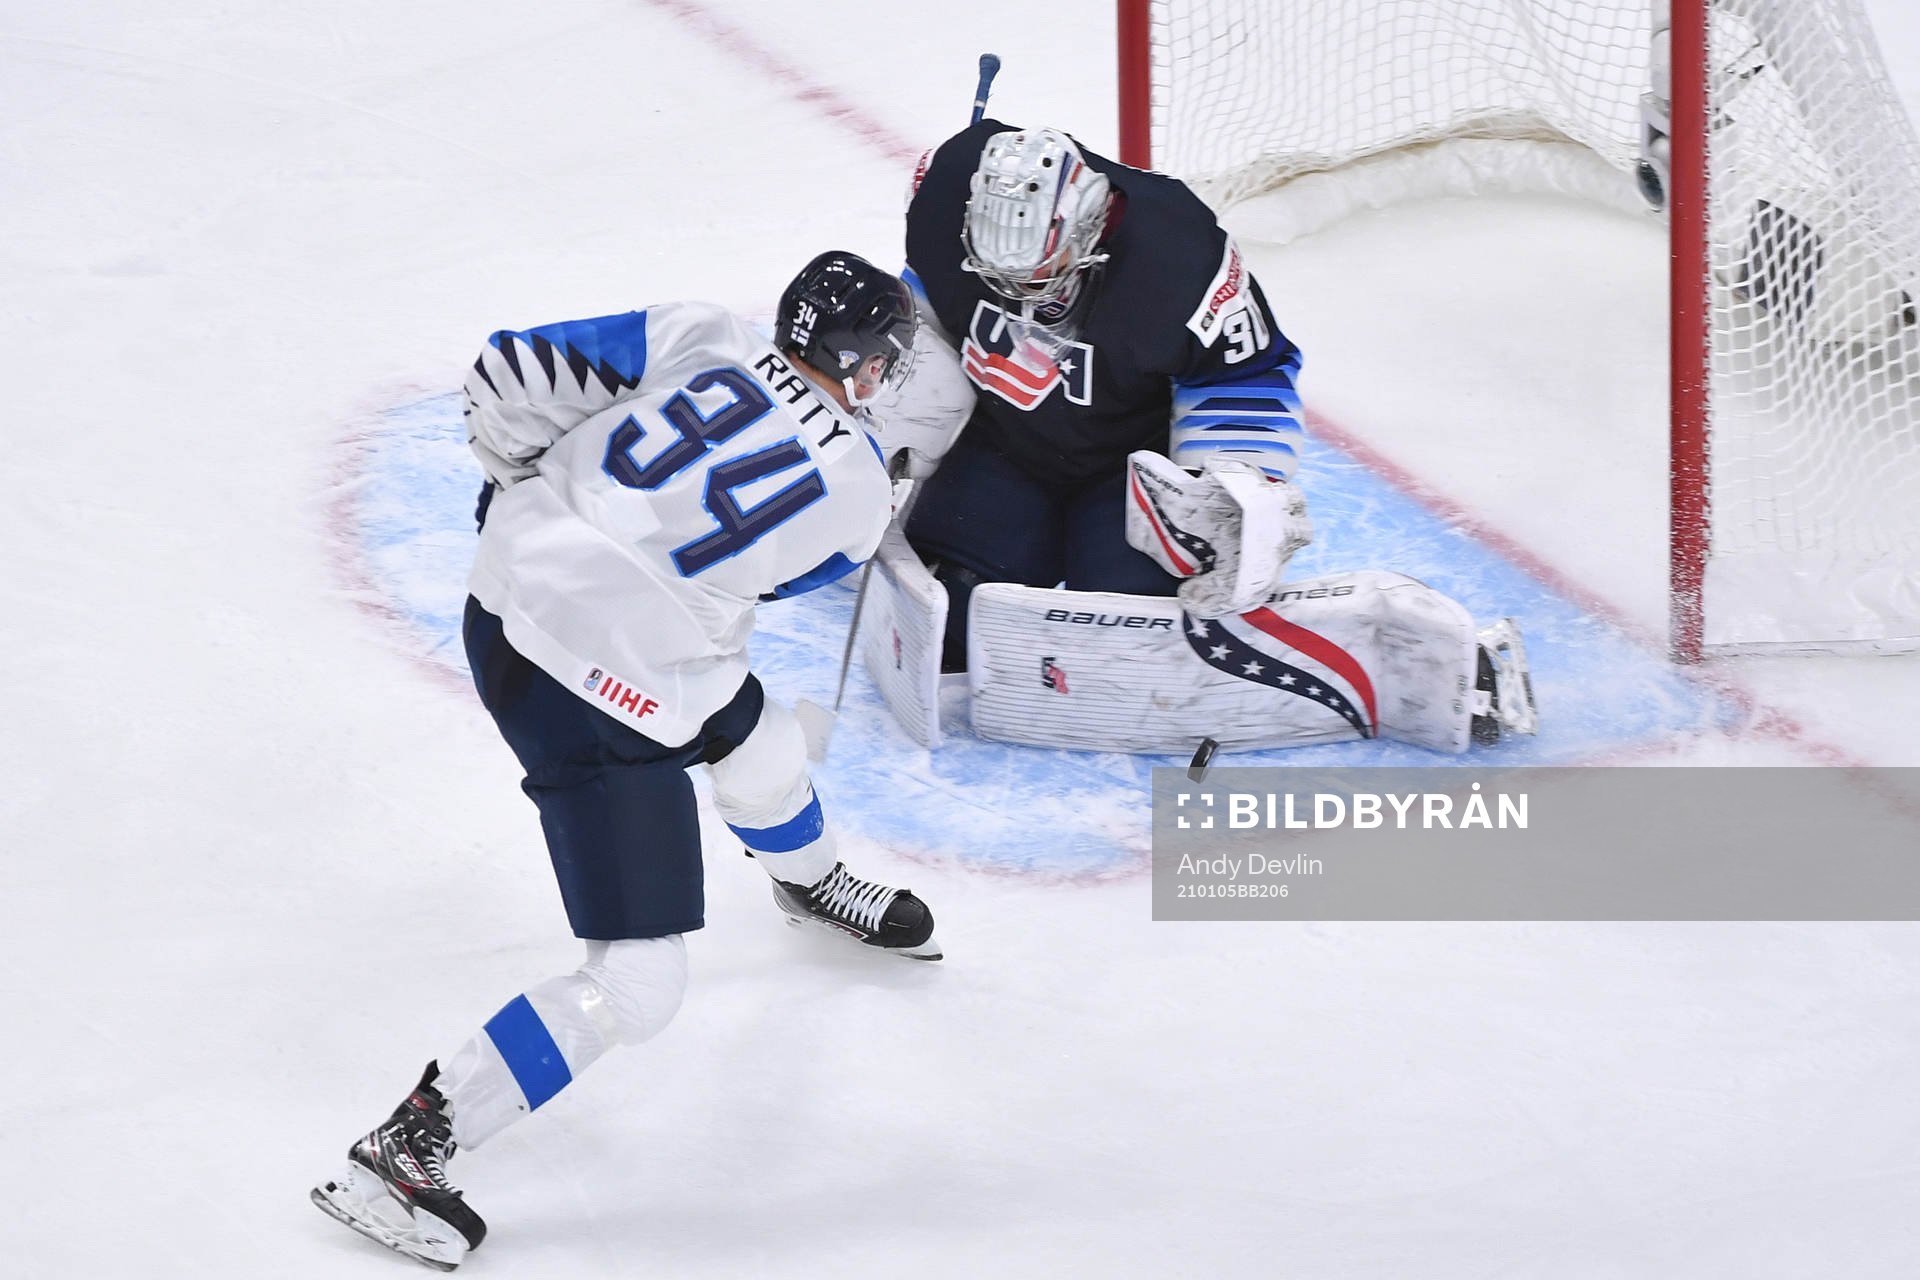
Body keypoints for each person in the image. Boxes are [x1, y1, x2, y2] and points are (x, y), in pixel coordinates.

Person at [311, 252, 941, 1272]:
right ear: (865, 365)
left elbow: (511, 368)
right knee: (642, 979)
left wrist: (521, 485)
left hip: (507, 601)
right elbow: (777, 578)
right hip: (596, 684)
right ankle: (405, 1149)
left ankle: (812, 881)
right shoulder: (863, 490)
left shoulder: (705, 330)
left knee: (757, 735)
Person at [887, 122, 1535, 753]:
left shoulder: (1178, 256)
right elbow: (927, 306)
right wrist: (896, 413)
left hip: (1127, 471)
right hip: (1005, 446)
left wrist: (1231, 487)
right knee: (953, 607)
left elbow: (1246, 375)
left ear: (1088, 232)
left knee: (1133, 629)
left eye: (1038, 282)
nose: (1017, 301)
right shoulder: (946, 196)